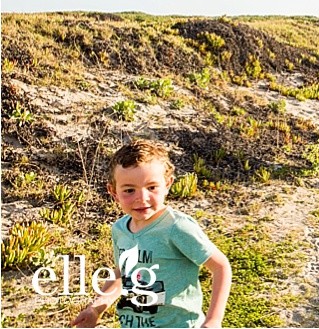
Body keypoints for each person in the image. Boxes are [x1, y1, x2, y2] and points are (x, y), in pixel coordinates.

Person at [72, 140, 232, 328]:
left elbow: (220, 267)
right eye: (129, 190)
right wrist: (96, 308)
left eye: (152, 187)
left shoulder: (177, 227)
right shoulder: (120, 229)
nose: (142, 198)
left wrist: (213, 320)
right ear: (113, 192)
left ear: (167, 184)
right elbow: (122, 274)